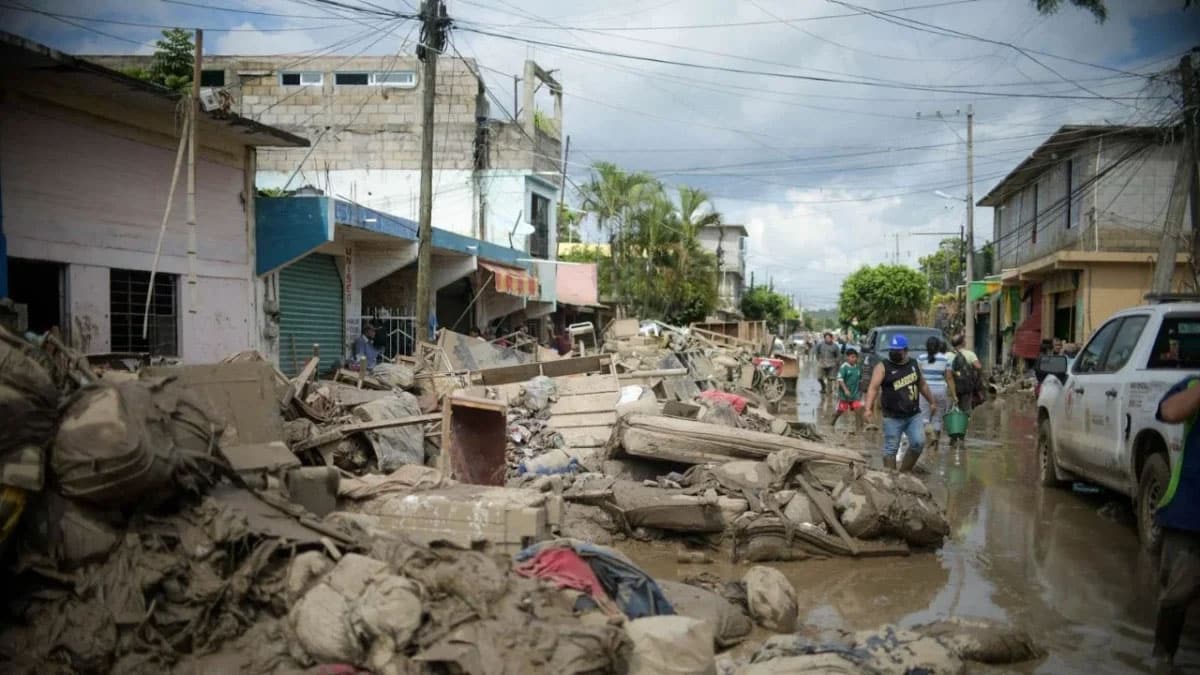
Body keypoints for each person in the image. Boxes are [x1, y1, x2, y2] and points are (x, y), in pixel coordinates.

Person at [1152, 376, 1200, 665]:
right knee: (1176, 596)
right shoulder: (1192, 385)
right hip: (1190, 515)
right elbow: (1169, 412)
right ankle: (1163, 657)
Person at [864, 335, 938, 472]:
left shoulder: (914, 365)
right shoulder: (883, 367)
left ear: (905, 350)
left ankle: (904, 472)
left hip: (913, 415)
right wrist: (868, 408)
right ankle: (890, 477)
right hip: (892, 416)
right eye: (892, 350)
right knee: (891, 448)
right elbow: (873, 388)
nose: (894, 353)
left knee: (918, 443)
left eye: (898, 350)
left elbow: (923, 386)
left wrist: (932, 402)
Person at [918, 336, 952, 454]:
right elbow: (949, 377)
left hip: (925, 390)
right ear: (938, 346)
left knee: (924, 417)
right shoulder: (945, 359)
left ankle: (928, 440)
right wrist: (954, 394)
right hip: (941, 390)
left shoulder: (921, 358)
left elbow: (918, 376)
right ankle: (935, 446)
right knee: (938, 417)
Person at [830, 348, 864, 433]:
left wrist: (861, 392)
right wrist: (845, 390)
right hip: (845, 394)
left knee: (858, 410)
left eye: (855, 357)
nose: (854, 359)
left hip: (855, 394)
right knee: (841, 410)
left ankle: (858, 430)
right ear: (847, 357)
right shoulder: (844, 367)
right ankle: (833, 421)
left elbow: (860, 380)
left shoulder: (857, 367)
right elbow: (840, 379)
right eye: (852, 357)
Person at [815, 332, 842, 396]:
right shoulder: (820, 345)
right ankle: (823, 386)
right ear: (824, 338)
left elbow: (838, 355)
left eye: (829, 338)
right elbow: (817, 352)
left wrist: (836, 362)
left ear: (831, 338)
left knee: (830, 379)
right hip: (822, 363)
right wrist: (818, 359)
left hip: (832, 364)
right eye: (826, 338)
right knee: (819, 378)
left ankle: (829, 393)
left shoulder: (835, 346)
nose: (828, 339)